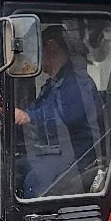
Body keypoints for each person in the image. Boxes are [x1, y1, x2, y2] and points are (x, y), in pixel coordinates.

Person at [16, 27, 103, 197]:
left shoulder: (78, 81)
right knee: (13, 168)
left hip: (78, 155)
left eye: (36, 51)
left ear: (51, 47)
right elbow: (37, 108)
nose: (32, 58)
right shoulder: (53, 84)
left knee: (34, 181)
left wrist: (28, 117)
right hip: (54, 151)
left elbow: (67, 117)